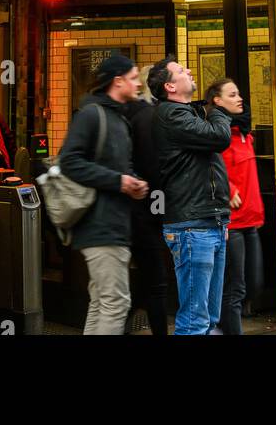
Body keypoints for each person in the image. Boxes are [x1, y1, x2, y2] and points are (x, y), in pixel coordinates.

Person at [58, 53, 148, 335]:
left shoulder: (119, 120)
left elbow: (116, 167)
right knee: (116, 303)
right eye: (133, 78)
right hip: (101, 226)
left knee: (101, 302)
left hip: (113, 224)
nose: (138, 84)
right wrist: (119, 182)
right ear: (117, 81)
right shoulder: (91, 115)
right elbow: (69, 161)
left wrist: (132, 182)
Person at [148, 56, 232, 336]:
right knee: (195, 320)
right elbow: (220, 137)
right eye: (182, 71)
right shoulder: (171, 114)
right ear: (170, 86)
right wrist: (218, 109)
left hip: (208, 222)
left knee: (208, 317)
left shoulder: (189, 113)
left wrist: (221, 218)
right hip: (191, 226)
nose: (190, 71)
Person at [204, 77, 265, 336]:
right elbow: (206, 167)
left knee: (255, 285)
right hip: (232, 223)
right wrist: (227, 189)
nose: (239, 98)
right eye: (232, 95)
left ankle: (217, 326)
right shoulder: (218, 136)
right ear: (217, 101)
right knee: (235, 289)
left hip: (252, 219)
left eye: (239, 93)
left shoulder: (245, 135)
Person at [124, 75, 168, 335]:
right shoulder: (148, 118)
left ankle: (123, 322)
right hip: (143, 212)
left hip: (138, 211)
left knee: (147, 278)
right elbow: (154, 169)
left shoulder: (135, 116)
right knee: (157, 281)